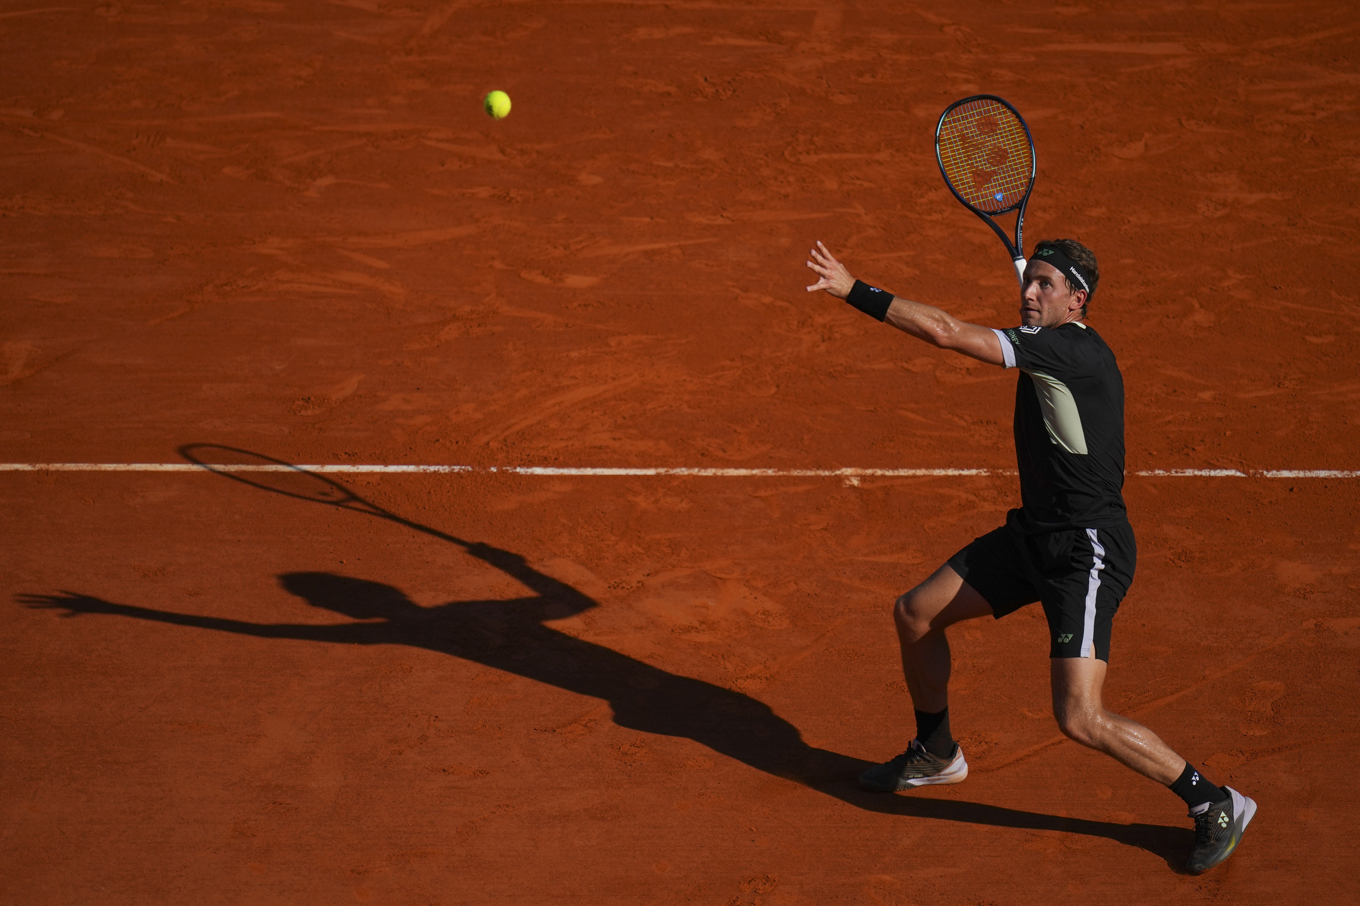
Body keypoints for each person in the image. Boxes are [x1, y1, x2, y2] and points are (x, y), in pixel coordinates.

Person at [804, 238, 1255, 874]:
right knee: (915, 613)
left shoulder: (1069, 350)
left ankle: (1214, 802)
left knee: (1079, 716)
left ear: (1079, 301)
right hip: (1035, 536)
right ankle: (936, 753)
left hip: (1087, 551)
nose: (1030, 293)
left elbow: (945, 331)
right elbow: (1017, 326)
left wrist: (855, 290)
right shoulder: (1052, 337)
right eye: (1029, 282)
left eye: (1047, 286)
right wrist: (1039, 302)